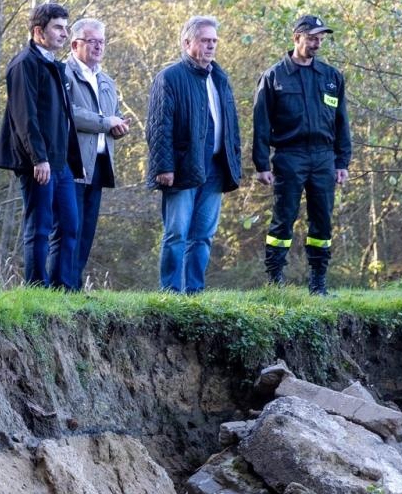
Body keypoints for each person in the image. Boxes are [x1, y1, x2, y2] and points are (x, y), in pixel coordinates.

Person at [252, 15, 352, 295]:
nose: (317, 43)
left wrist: (341, 161)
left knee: (322, 219)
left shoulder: (332, 77)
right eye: (312, 38)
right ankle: (275, 282)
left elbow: (342, 122)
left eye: (321, 38)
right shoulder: (274, 77)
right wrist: (261, 164)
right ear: (297, 37)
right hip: (289, 156)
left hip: (323, 158)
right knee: (284, 218)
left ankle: (318, 283)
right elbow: (260, 123)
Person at [145, 15, 242, 293]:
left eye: (214, 41)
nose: (211, 46)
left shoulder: (220, 78)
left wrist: (233, 162)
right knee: (177, 233)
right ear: (188, 43)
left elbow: (231, 125)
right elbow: (158, 126)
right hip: (181, 167)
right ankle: (171, 293)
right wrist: (164, 167)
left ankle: (194, 293)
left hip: (215, 168)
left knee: (204, 235)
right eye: (205, 40)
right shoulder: (170, 77)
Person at [0, 2, 84, 288]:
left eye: (66, 27)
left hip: (61, 164)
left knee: (70, 226)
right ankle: (37, 289)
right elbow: (25, 117)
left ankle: (62, 289)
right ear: (38, 31)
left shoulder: (54, 66)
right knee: (39, 226)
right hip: (38, 163)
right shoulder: (24, 64)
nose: (64, 33)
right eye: (58, 27)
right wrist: (38, 158)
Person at [62, 18, 129, 288]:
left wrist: (119, 125)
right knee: (69, 228)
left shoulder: (106, 80)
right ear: (75, 43)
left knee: (87, 230)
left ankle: (74, 287)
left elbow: (112, 115)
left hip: (101, 163)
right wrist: (105, 123)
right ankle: (62, 288)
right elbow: (70, 114)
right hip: (74, 162)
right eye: (93, 41)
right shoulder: (63, 74)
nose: (99, 46)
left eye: (102, 41)